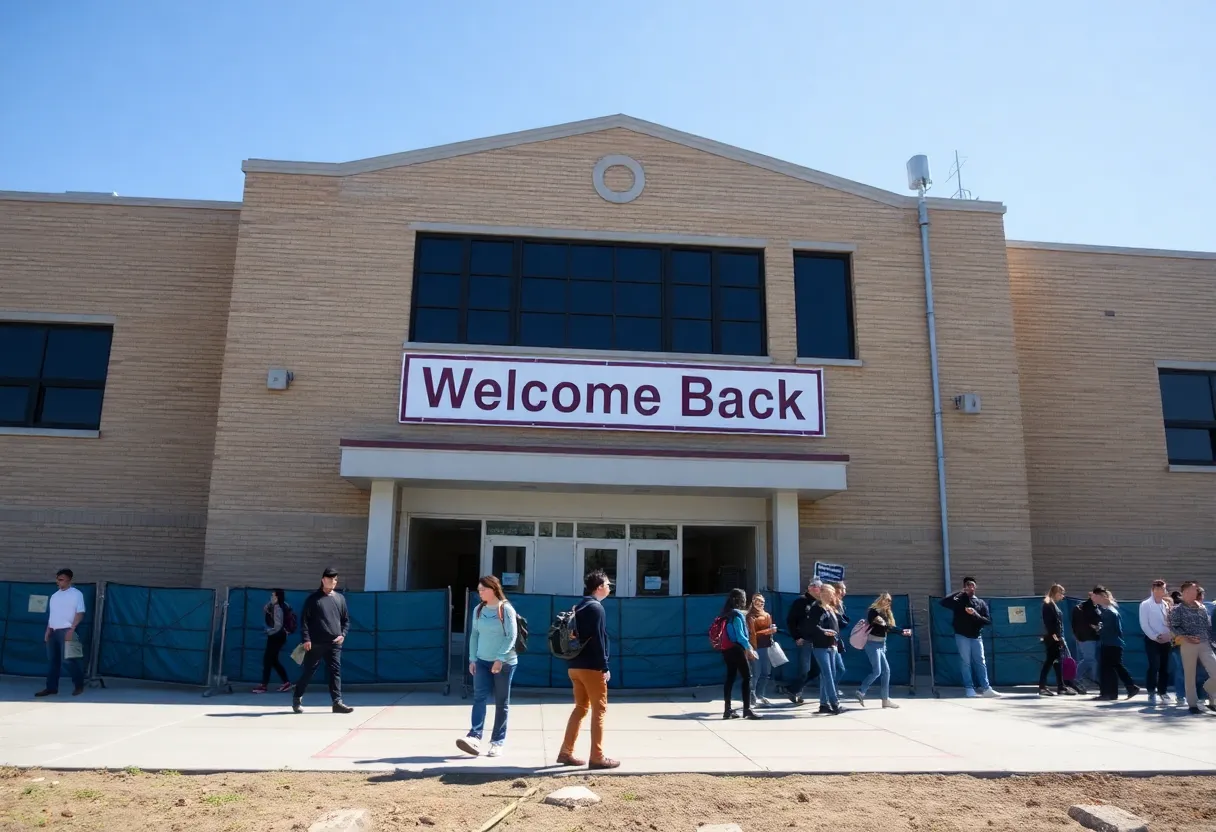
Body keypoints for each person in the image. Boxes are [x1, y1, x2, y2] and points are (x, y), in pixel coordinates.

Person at [557, 569, 619, 769]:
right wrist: (604, 666)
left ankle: (566, 752)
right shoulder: (596, 609)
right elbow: (599, 641)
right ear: (600, 587)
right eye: (608, 584)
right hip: (592, 668)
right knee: (599, 710)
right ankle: (597, 757)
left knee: (581, 708)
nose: (610, 588)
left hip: (574, 666)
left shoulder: (580, 606)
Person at [457, 576, 519, 757]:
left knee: (502, 703)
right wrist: (472, 659)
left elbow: (511, 636)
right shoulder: (478, 609)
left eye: (483, 589)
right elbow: (474, 635)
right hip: (481, 661)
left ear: (494, 589)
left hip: (505, 662)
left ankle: (497, 742)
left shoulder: (506, 609)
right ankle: (474, 736)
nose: (480, 593)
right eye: (479, 590)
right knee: (479, 698)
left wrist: (500, 659)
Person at [292, 568, 353, 714]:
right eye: (329, 579)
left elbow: (346, 621)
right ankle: (297, 697)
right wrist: (306, 639)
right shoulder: (313, 599)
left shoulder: (340, 599)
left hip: (334, 643)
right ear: (323, 580)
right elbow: (304, 620)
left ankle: (337, 702)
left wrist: (342, 635)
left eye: (335, 579)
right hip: (316, 643)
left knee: (335, 671)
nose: (332, 582)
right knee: (309, 671)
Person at [940, 577, 1000, 698]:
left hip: (976, 636)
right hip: (962, 635)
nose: (970, 587)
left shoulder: (981, 603)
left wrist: (975, 614)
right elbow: (944, 602)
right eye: (968, 585)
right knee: (965, 662)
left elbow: (987, 621)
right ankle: (969, 688)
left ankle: (986, 688)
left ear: (975, 587)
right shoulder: (959, 601)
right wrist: (960, 592)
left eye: (972, 585)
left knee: (980, 662)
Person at [35, 568, 86, 698]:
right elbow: (53, 615)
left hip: (67, 630)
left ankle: (79, 685)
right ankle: (51, 688)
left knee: (69, 660)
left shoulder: (76, 594)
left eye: (61, 579)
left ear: (69, 580)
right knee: (52, 661)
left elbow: (80, 612)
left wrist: (72, 629)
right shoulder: (54, 596)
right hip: (53, 631)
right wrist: (48, 630)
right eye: (57, 579)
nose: (58, 582)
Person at [855, 592, 911, 708]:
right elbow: (885, 626)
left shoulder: (886, 613)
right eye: (886, 599)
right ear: (880, 600)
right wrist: (901, 631)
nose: (888, 602)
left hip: (881, 644)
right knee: (877, 671)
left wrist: (901, 632)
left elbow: (888, 628)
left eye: (889, 600)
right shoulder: (873, 612)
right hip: (872, 644)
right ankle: (861, 691)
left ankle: (885, 700)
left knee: (886, 671)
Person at [1168, 580, 1216, 715]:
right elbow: (1173, 626)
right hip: (1187, 643)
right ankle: (1193, 704)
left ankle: (1209, 692)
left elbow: (1207, 626)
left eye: (1195, 590)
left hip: (1204, 642)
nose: (1194, 593)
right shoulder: (1178, 609)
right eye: (1191, 590)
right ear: (1185, 592)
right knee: (1190, 674)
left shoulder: (1202, 607)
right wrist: (1186, 637)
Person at [719, 588, 761, 720]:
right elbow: (740, 635)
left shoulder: (725, 614)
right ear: (740, 600)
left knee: (730, 677)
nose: (745, 601)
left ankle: (727, 709)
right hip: (737, 649)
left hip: (726, 649)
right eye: (744, 598)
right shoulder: (737, 615)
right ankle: (747, 709)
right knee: (747, 677)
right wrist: (749, 648)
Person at [1092, 586, 1140, 701]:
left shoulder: (1109, 612)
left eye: (1096, 596)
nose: (1094, 598)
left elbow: (1108, 630)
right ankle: (1122, 690)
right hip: (1113, 643)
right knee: (1114, 667)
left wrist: (1097, 629)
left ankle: (1111, 692)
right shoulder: (1109, 611)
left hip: (1110, 643)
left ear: (1103, 597)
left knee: (1108, 668)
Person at [784, 577, 824, 704]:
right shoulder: (800, 602)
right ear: (811, 588)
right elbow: (791, 621)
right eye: (819, 588)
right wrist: (796, 637)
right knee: (804, 669)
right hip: (804, 640)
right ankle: (796, 692)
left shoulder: (819, 603)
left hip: (816, 640)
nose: (820, 590)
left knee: (816, 670)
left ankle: (793, 689)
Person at [1139, 579, 1174, 705]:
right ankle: (1151, 692)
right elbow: (1144, 624)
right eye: (1157, 589)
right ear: (1153, 590)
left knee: (1165, 667)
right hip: (1152, 640)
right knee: (1154, 666)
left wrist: (1169, 635)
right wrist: (1156, 636)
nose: (1160, 591)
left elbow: (1170, 622)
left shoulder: (1166, 604)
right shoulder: (1145, 604)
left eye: (1162, 589)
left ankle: (1163, 692)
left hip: (1166, 640)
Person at [810, 584, 844, 714]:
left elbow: (839, 624)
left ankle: (823, 704)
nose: (832, 596)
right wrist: (824, 632)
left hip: (832, 645)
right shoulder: (816, 609)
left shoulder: (831, 608)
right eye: (830, 593)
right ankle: (835, 703)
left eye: (832, 594)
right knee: (827, 674)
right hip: (820, 645)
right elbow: (812, 626)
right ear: (823, 593)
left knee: (829, 675)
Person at [1038, 584, 1076, 697]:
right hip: (1052, 639)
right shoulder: (1048, 604)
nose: (1062, 596)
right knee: (1050, 661)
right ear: (1056, 593)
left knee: (1057, 663)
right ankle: (1042, 687)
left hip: (1055, 637)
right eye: (1061, 593)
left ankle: (1061, 686)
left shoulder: (1053, 604)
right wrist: (1057, 639)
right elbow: (1050, 625)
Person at [253, 589, 293, 694]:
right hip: (279, 636)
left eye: (273, 596)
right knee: (273, 660)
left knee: (267, 659)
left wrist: (268, 631)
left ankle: (264, 685)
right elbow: (265, 608)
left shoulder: (277, 608)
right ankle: (286, 682)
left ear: (278, 597)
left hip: (276, 636)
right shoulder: (283, 605)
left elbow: (278, 626)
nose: (271, 597)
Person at [746, 593, 777, 707]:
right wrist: (767, 631)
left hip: (766, 646)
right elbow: (752, 633)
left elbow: (769, 629)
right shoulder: (750, 616)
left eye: (762, 602)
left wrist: (772, 631)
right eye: (758, 602)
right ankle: (751, 697)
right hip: (755, 647)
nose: (760, 604)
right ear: (753, 603)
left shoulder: (767, 615)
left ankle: (760, 695)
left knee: (766, 673)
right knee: (755, 673)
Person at [1070, 590, 1102, 691]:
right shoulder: (1083, 607)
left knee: (1089, 659)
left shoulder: (1096, 607)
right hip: (1086, 637)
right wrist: (1094, 627)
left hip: (1093, 636)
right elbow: (1080, 623)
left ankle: (1077, 678)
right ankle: (1091, 679)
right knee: (1090, 659)